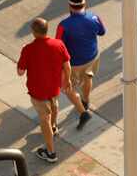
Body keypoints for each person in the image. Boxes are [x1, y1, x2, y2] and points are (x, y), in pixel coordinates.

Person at [17, 18, 91, 164]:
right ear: (46, 30)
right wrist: (67, 80)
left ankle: (50, 153)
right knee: (54, 105)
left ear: (33, 32)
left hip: (38, 91)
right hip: (54, 87)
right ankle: (54, 127)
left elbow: (20, 72)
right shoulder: (58, 44)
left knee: (44, 118)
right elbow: (67, 65)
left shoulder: (28, 49)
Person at [56, 0, 106, 111]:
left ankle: (79, 105)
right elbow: (102, 32)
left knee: (68, 87)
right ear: (85, 4)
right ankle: (86, 100)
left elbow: (58, 47)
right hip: (92, 57)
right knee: (88, 78)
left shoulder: (64, 26)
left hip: (74, 63)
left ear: (70, 6)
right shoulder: (94, 17)